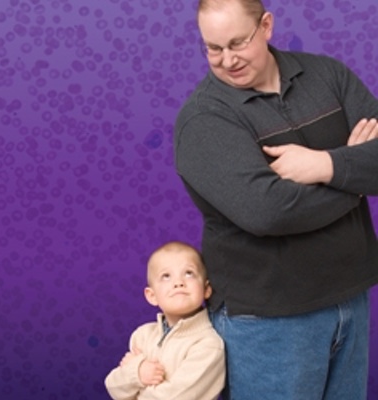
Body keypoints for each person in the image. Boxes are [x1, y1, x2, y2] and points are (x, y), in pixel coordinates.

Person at [174, 0, 378, 399]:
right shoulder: (205, 120)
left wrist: (323, 165)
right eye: (213, 48)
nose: (227, 59)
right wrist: (355, 180)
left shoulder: (328, 75)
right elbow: (267, 211)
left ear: (266, 26)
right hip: (269, 321)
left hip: (350, 297)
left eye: (238, 42)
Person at [104, 241, 225, 400]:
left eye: (189, 273)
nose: (178, 283)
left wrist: (134, 384)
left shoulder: (208, 345)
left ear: (206, 289)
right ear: (151, 296)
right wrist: (137, 372)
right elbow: (113, 387)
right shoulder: (142, 336)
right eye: (166, 276)